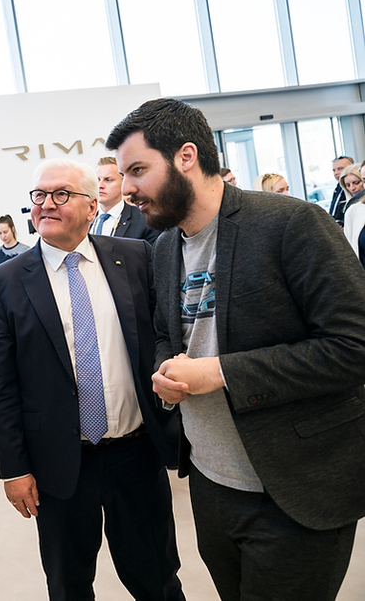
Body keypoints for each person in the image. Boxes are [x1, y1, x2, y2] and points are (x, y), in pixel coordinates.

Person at [106, 98, 365, 601]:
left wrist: (223, 372)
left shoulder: (292, 224)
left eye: (138, 170)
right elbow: (167, 335)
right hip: (211, 485)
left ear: (186, 157)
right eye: (123, 174)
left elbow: (353, 346)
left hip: (294, 487)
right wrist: (166, 369)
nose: (128, 189)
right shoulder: (163, 249)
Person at [0, 158, 184, 601]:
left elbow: (162, 335)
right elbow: (0, 385)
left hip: (135, 453)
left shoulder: (133, 258)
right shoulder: (4, 282)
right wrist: (14, 469)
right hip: (58, 463)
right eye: (38, 196)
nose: (45, 205)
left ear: (92, 206)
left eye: (61, 195)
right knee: (69, 585)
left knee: (157, 577)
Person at [94, 156, 160, 243]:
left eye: (108, 180)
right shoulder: (85, 220)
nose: (100, 185)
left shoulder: (144, 220)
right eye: (98, 180)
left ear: (123, 182)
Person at [330, 155, 355, 225]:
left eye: (340, 168)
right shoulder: (338, 189)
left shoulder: (356, 189)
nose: (336, 173)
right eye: (334, 170)